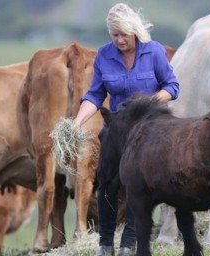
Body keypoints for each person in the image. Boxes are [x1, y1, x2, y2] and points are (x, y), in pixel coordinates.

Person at [72, 3, 180, 256]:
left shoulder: (154, 52)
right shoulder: (104, 55)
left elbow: (172, 87)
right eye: (115, 35)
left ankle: (130, 243)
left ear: (135, 31)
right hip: (118, 127)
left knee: (137, 185)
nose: (120, 40)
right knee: (106, 181)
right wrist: (77, 122)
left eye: (124, 34)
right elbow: (95, 95)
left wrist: (148, 103)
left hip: (149, 127)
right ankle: (105, 242)